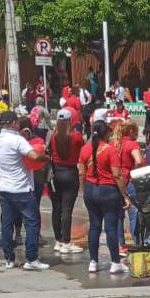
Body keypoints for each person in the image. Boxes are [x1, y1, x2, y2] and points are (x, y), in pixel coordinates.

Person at [0, 111, 51, 269]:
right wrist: (47, 157)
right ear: (12, 123)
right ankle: (32, 259)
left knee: (7, 224)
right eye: (17, 122)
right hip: (21, 188)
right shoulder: (17, 140)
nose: (19, 124)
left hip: (4, 188)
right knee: (32, 222)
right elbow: (34, 156)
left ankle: (9, 259)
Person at [79, 120, 131, 274]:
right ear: (106, 133)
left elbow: (81, 173)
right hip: (108, 192)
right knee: (110, 228)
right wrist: (125, 195)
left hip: (90, 189)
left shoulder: (85, 149)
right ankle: (115, 262)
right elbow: (117, 175)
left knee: (94, 226)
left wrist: (84, 191)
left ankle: (93, 262)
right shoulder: (110, 150)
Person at [50, 109, 86, 254]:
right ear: (71, 120)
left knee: (56, 208)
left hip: (56, 173)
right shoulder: (76, 136)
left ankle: (58, 240)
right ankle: (66, 241)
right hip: (70, 172)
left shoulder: (53, 136)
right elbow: (82, 152)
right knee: (67, 209)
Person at [116, 121, 142, 249]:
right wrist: (133, 171)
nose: (138, 134)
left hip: (116, 181)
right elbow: (138, 160)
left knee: (118, 216)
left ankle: (121, 245)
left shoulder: (115, 143)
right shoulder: (132, 144)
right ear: (131, 131)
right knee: (133, 215)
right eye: (136, 131)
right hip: (129, 181)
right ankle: (137, 243)